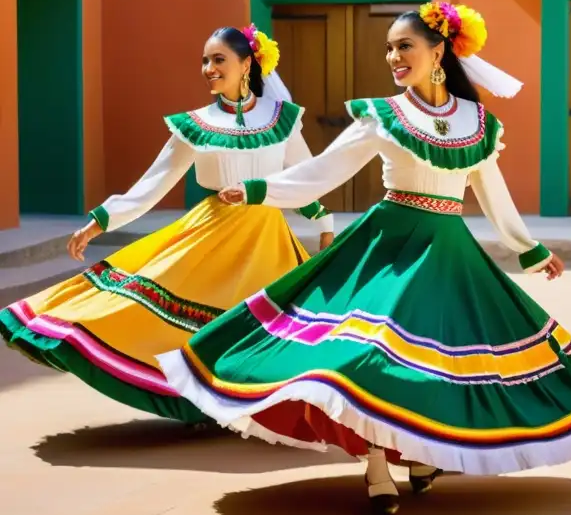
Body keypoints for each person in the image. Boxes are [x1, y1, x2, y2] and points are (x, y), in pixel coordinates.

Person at [158, 3, 571, 515]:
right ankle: (377, 461)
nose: (394, 57)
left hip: (447, 251)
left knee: (439, 363)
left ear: (438, 52)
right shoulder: (383, 115)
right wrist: (260, 188)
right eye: (390, 48)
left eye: (405, 46)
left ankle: (420, 453)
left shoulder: (477, 121)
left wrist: (528, 249)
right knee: (368, 357)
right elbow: (323, 171)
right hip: (388, 247)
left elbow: (491, 189)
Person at [0, 25, 334, 423]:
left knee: (275, 330)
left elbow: (305, 178)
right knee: (191, 326)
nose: (208, 68)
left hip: (267, 241)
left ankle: (258, 407)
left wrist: (325, 227)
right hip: (212, 235)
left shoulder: (282, 119)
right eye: (205, 61)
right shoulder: (196, 124)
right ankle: (205, 403)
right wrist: (99, 221)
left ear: (247, 64)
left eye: (218, 59)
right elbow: (152, 185)